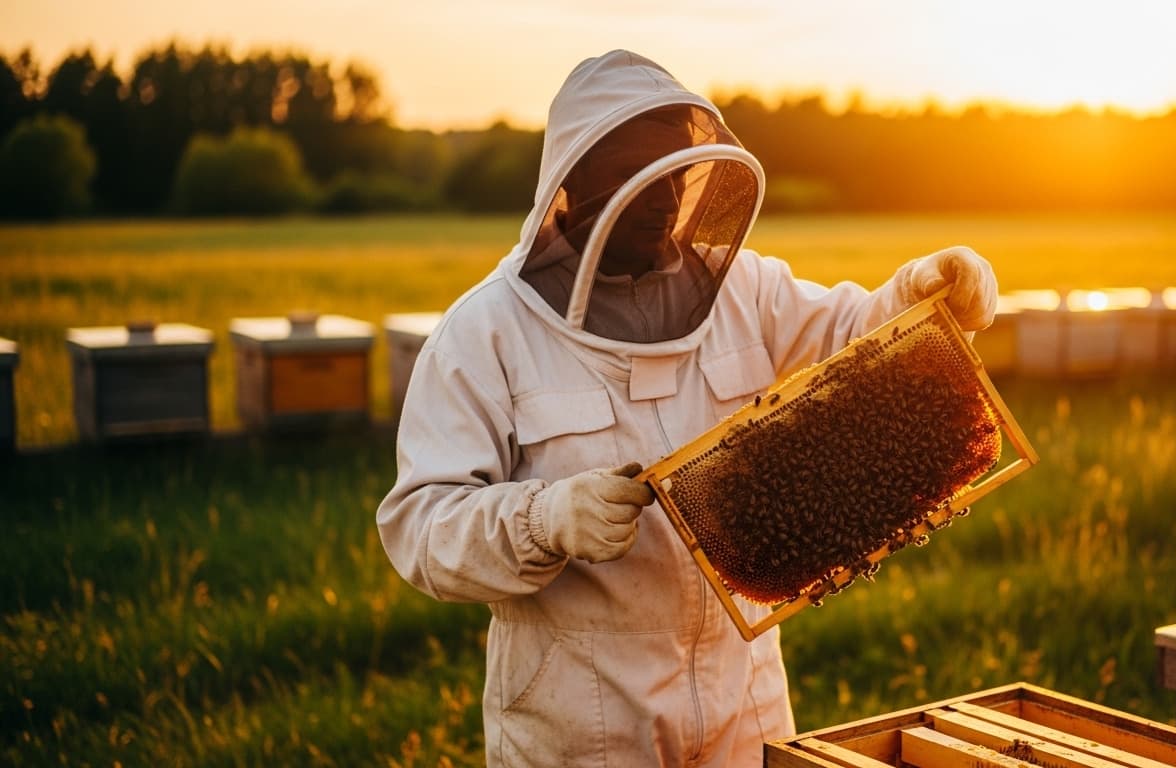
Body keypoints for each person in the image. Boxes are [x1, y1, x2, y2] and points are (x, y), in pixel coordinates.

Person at [377, 49, 998, 767]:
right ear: (571, 185)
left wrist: (920, 294)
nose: (665, 199)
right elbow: (420, 527)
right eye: (635, 180)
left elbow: (849, 341)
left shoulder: (743, 289)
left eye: (676, 174)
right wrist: (543, 519)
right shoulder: (487, 332)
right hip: (583, 721)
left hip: (746, 699)